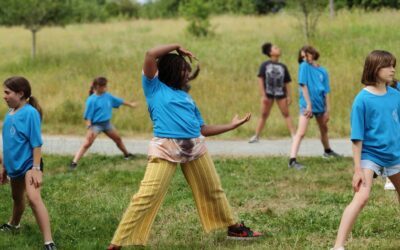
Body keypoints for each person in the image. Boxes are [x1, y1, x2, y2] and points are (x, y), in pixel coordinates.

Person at [107, 44, 261, 249]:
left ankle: (234, 227)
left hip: (194, 147)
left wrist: (231, 126)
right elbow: (150, 54)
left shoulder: (187, 98)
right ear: (171, 71)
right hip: (165, 148)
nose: (187, 74)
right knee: (146, 195)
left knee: (213, 189)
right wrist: (177, 47)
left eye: (187, 71)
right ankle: (117, 243)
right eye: (183, 70)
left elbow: (202, 129)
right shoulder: (154, 87)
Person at [332, 50, 400, 250]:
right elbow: (357, 139)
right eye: (387, 65)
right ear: (374, 68)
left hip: (395, 155)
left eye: (393, 65)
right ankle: (338, 246)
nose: (392, 69)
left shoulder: (396, 95)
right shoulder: (362, 100)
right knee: (362, 197)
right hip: (371, 156)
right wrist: (357, 169)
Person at [0, 76, 57, 250]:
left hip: (29, 166)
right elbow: (8, 144)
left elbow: (36, 143)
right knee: (17, 199)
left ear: (20, 93)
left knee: (33, 198)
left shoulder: (30, 113)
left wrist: (36, 168)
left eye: (7, 92)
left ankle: (49, 242)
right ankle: (14, 224)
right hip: (13, 167)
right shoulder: (8, 116)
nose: (4, 96)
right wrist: (3, 167)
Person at [288, 46, 340, 170]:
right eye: (302, 57)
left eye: (306, 55)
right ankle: (292, 160)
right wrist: (308, 104)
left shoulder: (323, 71)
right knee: (301, 132)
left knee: (324, 129)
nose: (305, 58)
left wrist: (328, 109)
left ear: (312, 54)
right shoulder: (304, 66)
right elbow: (303, 85)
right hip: (307, 106)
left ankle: (327, 151)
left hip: (320, 105)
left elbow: (326, 91)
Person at [70, 77, 137, 170]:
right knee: (87, 143)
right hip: (95, 125)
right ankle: (74, 163)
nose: (106, 87)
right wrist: (89, 128)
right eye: (103, 86)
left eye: (106, 85)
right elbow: (88, 117)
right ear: (97, 87)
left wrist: (130, 104)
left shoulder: (107, 96)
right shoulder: (91, 100)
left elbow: (119, 101)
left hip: (107, 124)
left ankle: (127, 155)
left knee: (118, 139)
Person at [249, 42, 295, 143]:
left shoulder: (283, 66)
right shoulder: (265, 65)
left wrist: (289, 96)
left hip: (280, 93)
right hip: (268, 94)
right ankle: (256, 135)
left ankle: (293, 135)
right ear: (270, 52)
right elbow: (260, 80)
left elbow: (287, 82)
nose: (278, 49)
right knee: (264, 114)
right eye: (275, 48)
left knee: (286, 114)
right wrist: (263, 95)